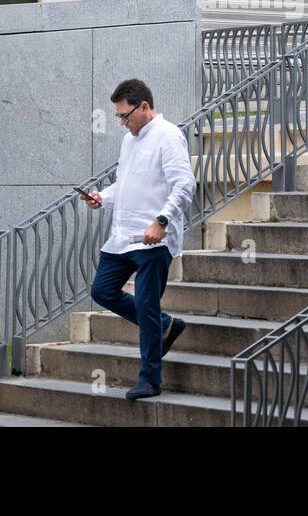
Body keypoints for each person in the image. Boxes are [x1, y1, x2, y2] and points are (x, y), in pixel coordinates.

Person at [81, 78, 194, 400]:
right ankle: (166, 324)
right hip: (122, 237)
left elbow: (184, 184)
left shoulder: (169, 136)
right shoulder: (130, 140)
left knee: (145, 306)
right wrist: (101, 197)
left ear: (144, 106)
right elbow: (126, 183)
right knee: (102, 291)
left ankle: (150, 380)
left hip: (153, 240)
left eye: (124, 116)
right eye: (118, 117)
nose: (122, 122)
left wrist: (161, 221)